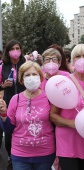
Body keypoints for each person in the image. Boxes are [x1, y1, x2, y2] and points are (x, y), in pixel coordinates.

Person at [50, 44, 84, 170]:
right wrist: (74, 123)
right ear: (72, 60)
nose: (82, 59)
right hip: (67, 138)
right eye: (77, 56)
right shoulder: (64, 82)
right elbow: (53, 115)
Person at [0, 61, 55, 170]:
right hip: (20, 155)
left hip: (45, 154)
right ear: (21, 79)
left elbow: (56, 125)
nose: (31, 78)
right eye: (27, 75)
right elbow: (8, 128)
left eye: (34, 74)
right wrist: (3, 114)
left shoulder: (50, 98)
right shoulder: (16, 99)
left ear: (40, 77)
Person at [0, 39, 26, 169]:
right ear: (8, 52)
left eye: (17, 48)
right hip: (9, 103)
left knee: (23, 129)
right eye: (12, 49)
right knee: (9, 132)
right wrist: (3, 85)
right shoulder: (2, 67)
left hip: (24, 102)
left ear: (21, 50)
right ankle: (11, 156)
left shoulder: (25, 65)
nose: (15, 51)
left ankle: (24, 154)